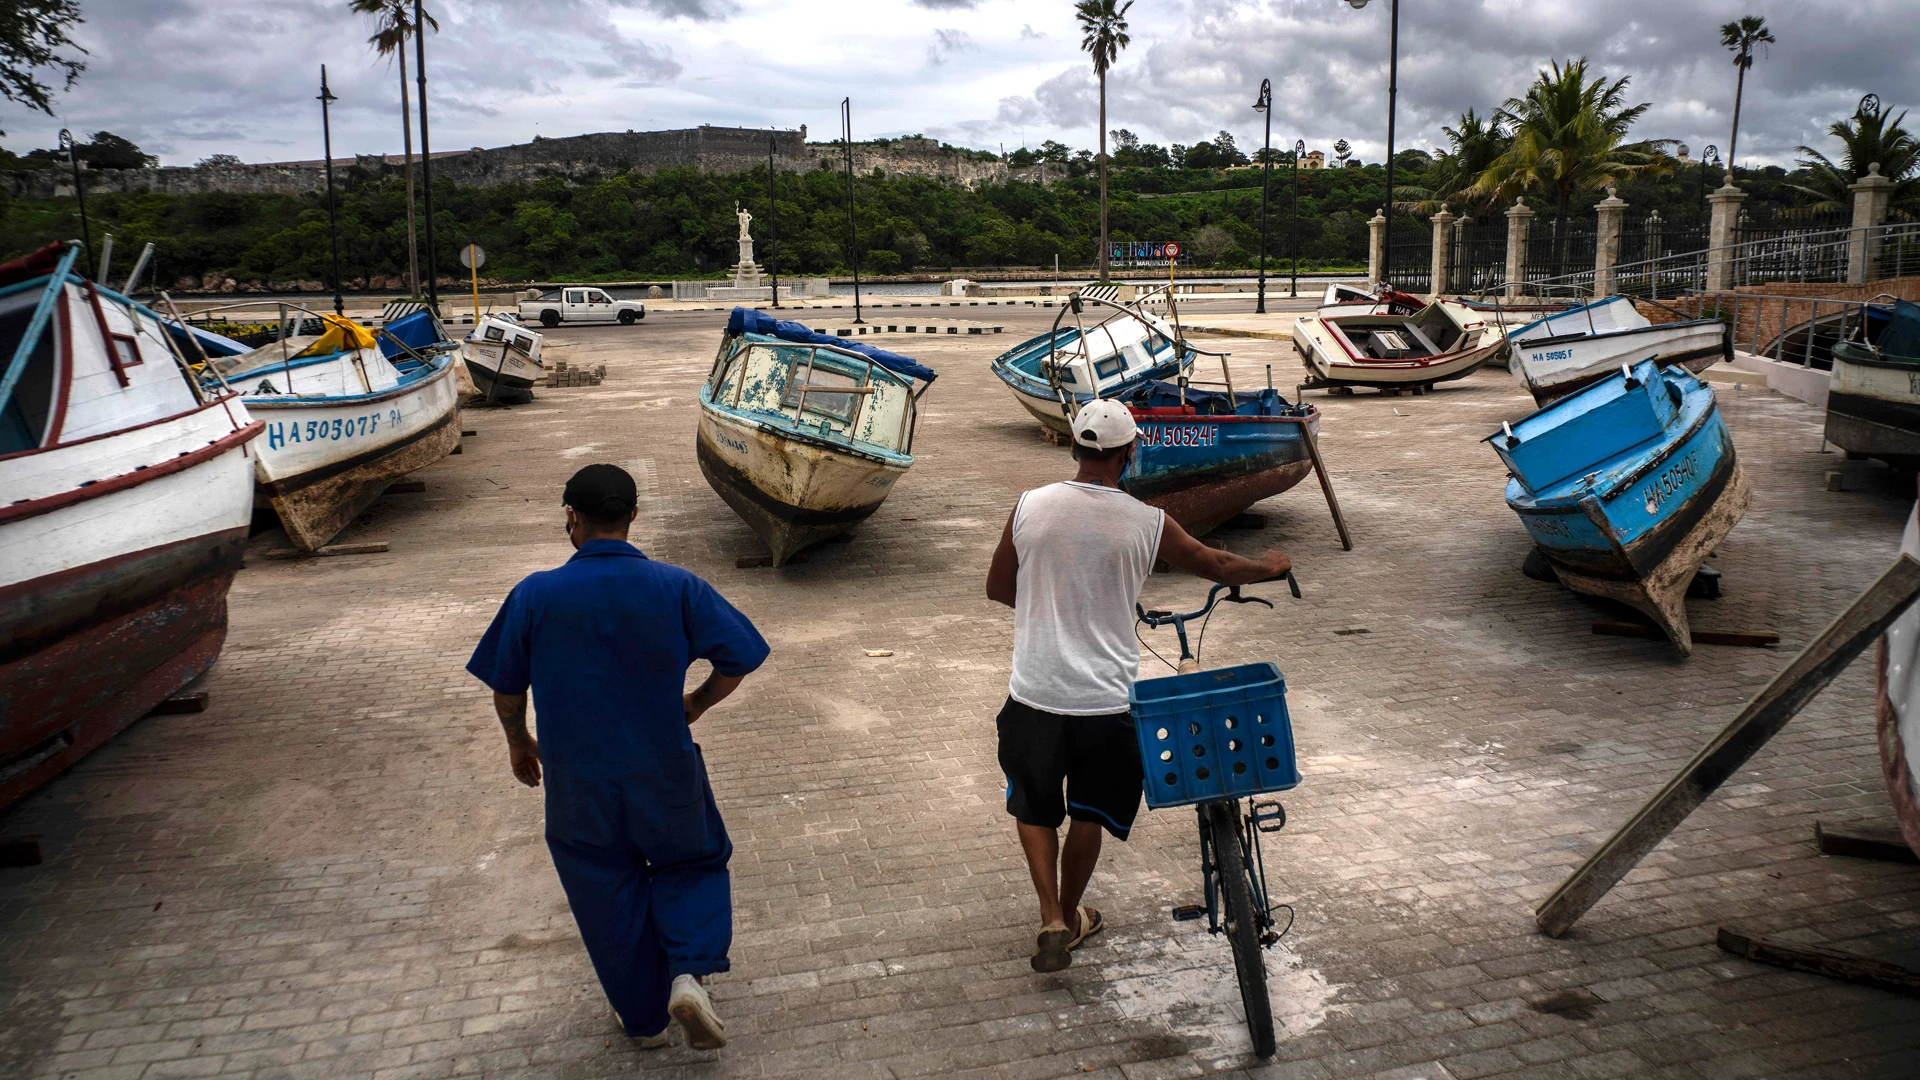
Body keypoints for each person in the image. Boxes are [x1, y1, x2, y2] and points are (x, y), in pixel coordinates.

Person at [467, 464, 770, 1049]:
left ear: (570, 519)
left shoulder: (535, 594)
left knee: (604, 886)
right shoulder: (676, 586)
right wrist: (698, 702)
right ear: (633, 516)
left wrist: (517, 740)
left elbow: (506, 686)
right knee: (691, 863)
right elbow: (742, 655)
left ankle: (644, 1021)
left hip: (578, 780)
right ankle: (687, 972)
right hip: (664, 767)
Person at [985, 400, 1290, 973]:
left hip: (1035, 692)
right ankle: (1073, 913)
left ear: (1075, 448)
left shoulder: (1030, 506)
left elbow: (1000, 587)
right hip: (1105, 702)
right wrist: (1271, 566)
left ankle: (1052, 916)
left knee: (1033, 806)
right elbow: (1216, 564)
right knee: (1090, 814)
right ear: (1130, 453)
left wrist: (1051, 611)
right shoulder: (1146, 520)